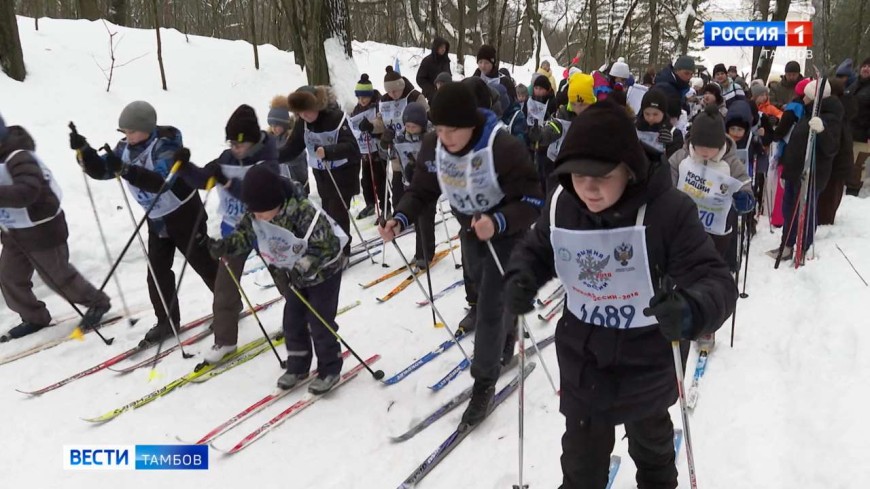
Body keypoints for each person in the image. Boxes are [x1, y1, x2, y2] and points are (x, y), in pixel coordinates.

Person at [503, 100, 737, 489]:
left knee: (653, 451)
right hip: (584, 361)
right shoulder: (563, 203)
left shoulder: (668, 211)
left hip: (648, 360)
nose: (589, 188)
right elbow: (539, 249)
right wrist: (521, 276)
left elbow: (715, 280)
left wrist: (691, 310)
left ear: (629, 169)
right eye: (578, 175)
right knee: (580, 463)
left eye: (602, 176)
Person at [377, 82, 543, 428]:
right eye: (440, 129)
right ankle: (507, 333)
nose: (445, 137)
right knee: (482, 290)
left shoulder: (502, 147)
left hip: (506, 233)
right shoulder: (433, 145)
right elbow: (422, 190)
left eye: (453, 130)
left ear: (470, 123)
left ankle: (484, 383)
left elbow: (532, 200)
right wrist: (400, 217)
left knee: (489, 308)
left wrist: (498, 221)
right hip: (470, 227)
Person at [71, 101, 218, 344]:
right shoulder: (124, 148)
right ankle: (166, 322)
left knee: (202, 262)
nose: (127, 137)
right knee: (157, 273)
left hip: (183, 214)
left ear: (147, 128)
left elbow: (162, 183)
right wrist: (85, 152)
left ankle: (228, 305)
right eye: (124, 132)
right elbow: (103, 171)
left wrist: (126, 170)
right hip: (156, 219)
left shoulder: (165, 146)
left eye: (132, 131)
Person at [209, 164, 348, 395]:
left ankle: (330, 369)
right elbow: (244, 235)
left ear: (276, 201)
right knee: (292, 321)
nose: (258, 217)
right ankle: (297, 367)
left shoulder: (303, 211)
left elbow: (328, 246)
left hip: (324, 274)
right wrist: (225, 246)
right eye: (255, 212)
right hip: (294, 276)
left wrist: (302, 266)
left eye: (262, 212)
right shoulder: (256, 212)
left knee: (319, 323)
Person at [174, 105, 278, 364]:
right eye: (231, 143)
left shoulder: (267, 159)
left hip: (266, 228)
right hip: (233, 230)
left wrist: (228, 182)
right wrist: (185, 167)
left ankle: (303, 318)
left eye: (240, 144)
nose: (235, 148)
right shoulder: (225, 159)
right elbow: (202, 179)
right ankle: (225, 341)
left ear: (253, 141)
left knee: (285, 278)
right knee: (224, 288)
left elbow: (256, 194)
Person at [0, 117, 111, 340]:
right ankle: (34, 317)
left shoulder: (19, 156)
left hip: (42, 228)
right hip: (14, 230)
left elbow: (27, 192)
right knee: (9, 277)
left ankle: (97, 303)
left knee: (57, 276)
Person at [770, 79, 843, 261]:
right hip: (795, 171)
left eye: (807, 96)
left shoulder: (831, 117)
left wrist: (822, 131)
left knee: (806, 212)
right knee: (789, 210)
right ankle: (787, 245)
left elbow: (831, 148)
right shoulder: (808, 112)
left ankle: (803, 248)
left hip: (811, 173)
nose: (803, 99)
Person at [283, 85, 361, 255]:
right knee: (327, 215)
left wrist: (328, 151)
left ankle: (343, 252)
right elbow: (292, 148)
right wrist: (269, 156)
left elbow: (352, 147)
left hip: (344, 172)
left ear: (317, 105)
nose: (304, 115)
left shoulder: (336, 118)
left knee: (337, 213)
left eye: (307, 110)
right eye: (300, 112)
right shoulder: (303, 123)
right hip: (322, 175)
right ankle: (333, 249)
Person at [380, 101, 437, 268]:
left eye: (414, 126)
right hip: (409, 184)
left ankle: (425, 254)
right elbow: (389, 155)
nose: (410, 129)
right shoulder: (400, 138)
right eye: (408, 126)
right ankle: (420, 253)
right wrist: (385, 142)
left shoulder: (431, 137)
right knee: (416, 220)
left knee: (425, 221)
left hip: (428, 186)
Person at [532, 73, 597, 195]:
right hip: (560, 164)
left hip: (585, 168)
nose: (578, 108)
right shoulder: (564, 113)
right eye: (574, 104)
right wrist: (541, 135)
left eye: (582, 104)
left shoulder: (597, 116)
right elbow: (554, 127)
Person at [818, 78, 856, 225]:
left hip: (837, 156)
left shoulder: (835, 107)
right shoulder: (844, 104)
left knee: (831, 189)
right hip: (842, 153)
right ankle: (826, 217)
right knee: (834, 188)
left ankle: (825, 219)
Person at [349, 74, 386, 219]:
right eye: (359, 97)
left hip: (377, 148)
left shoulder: (378, 105)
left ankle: (385, 207)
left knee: (379, 179)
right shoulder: (357, 109)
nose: (362, 100)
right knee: (365, 180)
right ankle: (370, 203)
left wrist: (371, 128)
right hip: (364, 150)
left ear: (370, 95)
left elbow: (382, 124)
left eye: (364, 97)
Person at [268, 96, 308, 195]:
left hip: (298, 184)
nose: (273, 128)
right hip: (280, 187)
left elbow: (297, 157)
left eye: (276, 125)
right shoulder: (271, 139)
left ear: (284, 123)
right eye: (271, 125)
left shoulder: (293, 138)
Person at [635, 88, 684, 158]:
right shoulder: (634, 128)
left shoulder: (674, 134)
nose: (651, 118)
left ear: (663, 113)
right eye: (647, 114)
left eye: (655, 114)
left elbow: (673, 160)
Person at [846, 57, 870, 196]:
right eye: (864, 66)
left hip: (863, 134)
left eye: (869, 67)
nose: (866, 69)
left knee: (858, 164)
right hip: (848, 131)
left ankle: (853, 191)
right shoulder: (854, 84)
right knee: (848, 161)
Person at [416, 37, 451, 103]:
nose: (443, 49)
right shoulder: (427, 61)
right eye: (441, 47)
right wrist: (431, 90)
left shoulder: (446, 61)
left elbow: (448, 75)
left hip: (446, 93)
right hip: (431, 95)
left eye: (444, 47)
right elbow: (420, 79)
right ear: (436, 47)